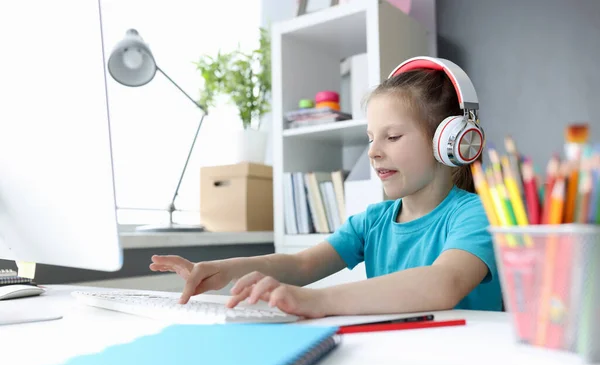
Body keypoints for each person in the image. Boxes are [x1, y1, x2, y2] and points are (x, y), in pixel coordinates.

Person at [149, 56, 503, 318]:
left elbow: (444, 283)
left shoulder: (475, 214)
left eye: (392, 137)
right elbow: (301, 265)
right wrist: (224, 270)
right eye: (370, 138)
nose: (374, 151)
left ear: (450, 141)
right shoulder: (372, 222)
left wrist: (319, 300)